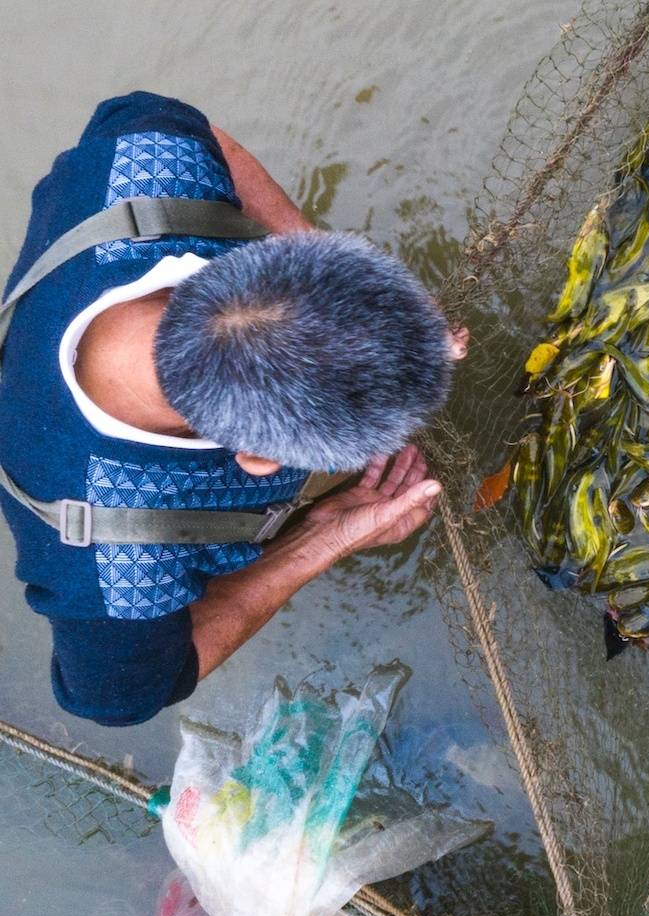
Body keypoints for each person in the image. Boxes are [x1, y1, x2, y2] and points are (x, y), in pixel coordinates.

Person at [0, 92, 465, 726]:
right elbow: (114, 699)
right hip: (78, 475)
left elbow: (174, 119)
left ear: (261, 262)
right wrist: (325, 536)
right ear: (256, 458)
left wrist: (337, 274)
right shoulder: (109, 570)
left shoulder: (151, 165)